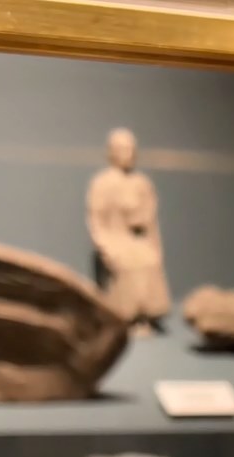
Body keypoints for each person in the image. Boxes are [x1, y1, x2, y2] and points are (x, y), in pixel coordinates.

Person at [86, 127, 171, 332]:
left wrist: (154, 245)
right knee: (129, 261)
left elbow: (149, 221)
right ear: (112, 152)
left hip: (136, 240)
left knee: (148, 258)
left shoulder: (141, 183)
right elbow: (96, 221)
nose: (129, 154)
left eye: (131, 149)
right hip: (114, 240)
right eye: (123, 149)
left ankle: (146, 315)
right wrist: (107, 247)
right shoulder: (101, 183)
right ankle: (126, 316)